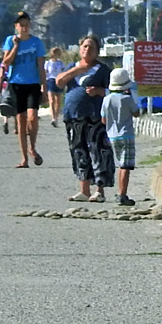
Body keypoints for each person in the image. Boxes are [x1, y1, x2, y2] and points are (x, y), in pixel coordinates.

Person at [56, 35, 113, 202]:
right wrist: (76, 70)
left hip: (95, 115)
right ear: (80, 49)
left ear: (97, 51)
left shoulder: (103, 70)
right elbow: (58, 82)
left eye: (91, 47)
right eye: (85, 47)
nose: (87, 50)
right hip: (73, 115)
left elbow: (115, 92)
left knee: (98, 150)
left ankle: (99, 190)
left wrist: (99, 92)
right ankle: (84, 190)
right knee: (78, 151)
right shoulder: (72, 67)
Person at [0, 12, 47, 167]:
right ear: (16, 26)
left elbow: (41, 67)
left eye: (27, 24)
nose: (24, 27)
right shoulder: (10, 41)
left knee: (32, 117)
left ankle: (33, 147)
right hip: (16, 83)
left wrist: (44, 88)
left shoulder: (36, 43)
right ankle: (24, 157)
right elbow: (6, 62)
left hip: (32, 83)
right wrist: (15, 46)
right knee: (21, 119)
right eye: (21, 24)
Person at [102, 67, 138, 206]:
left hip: (112, 136)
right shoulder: (127, 99)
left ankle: (120, 192)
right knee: (126, 166)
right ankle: (122, 194)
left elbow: (103, 120)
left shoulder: (106, 100)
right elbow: (136, 113)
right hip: (126, 134)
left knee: (120, 164)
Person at [44, 45, 68, 119]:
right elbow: (45, 73)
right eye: (55, 53)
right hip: (50, 80)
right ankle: (53, 117)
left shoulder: (60, 63)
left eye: (57, 53)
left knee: (58, 101)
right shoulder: (48, 63)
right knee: (51, 100)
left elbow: (64, 71)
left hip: (59, 81)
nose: (56, 54)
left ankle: (56, 116)